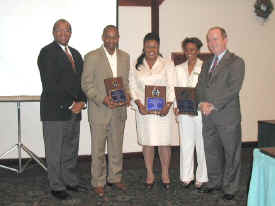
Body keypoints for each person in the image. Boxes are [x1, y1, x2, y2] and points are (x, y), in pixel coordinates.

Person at [37, 19, 87, 200]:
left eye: (67, 30)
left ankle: (70, 181)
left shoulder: (75, 53)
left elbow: (83, 81)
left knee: (70, 149)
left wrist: (82, 101)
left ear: (71, 33)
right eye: (60, 30)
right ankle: (56, 186)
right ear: (53, 32)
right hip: (55, 111)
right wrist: (70, 103)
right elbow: (50, 83)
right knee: (54, 151)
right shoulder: (46, 53)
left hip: (75, 110)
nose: (64, 33)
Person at [196, 26, 245, 200]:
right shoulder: (207, 62)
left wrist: (213, 105)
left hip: (227, 117)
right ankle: (214, 183)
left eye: (215, 39)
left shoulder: (236, 62)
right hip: (208, 116)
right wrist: (201, 102)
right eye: (209, 40)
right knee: (211, 151)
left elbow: (233, 88)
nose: (212, 43)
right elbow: (200, 85)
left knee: (231, 153)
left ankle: (230, 188)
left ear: (225, 39)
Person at [81, 25, 130, 197]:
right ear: (102, 37)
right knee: (98, 150)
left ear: (118, 37)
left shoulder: (125, 57)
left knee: (117, 148)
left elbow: (126, 84)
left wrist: (128, 95)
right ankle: (98, 181)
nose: (111, 40)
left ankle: (115, 178)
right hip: (99, 110)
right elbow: (86, 84)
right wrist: (102, 98)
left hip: (119, 111)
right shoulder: (92, 57)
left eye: (114, 37)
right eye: (108, 37)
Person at [129, 33, 175, 190]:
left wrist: (168, 105)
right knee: (147, 143)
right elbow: (132, 86)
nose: (151, 49)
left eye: (154, 46)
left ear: (158, 47)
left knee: (163, 143)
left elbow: (171, 86)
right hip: (144, 111)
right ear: (143, 47)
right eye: (148, 46)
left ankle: (165, 174)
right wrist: (138, 103)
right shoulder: (137, 64)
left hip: (163, 110)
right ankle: (149, 174)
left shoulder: (167, 63)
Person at [174, 37, 208, 189]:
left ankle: (202, 176)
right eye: (187, 50)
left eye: (192, 50)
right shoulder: (178, 68)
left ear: (198, 50)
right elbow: (174, 88)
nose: (189, 53)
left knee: (201, 143)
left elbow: (207, 90)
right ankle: (186, 176)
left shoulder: (204, 67)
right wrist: (175, 105)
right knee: (186, 143)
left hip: (199, 111)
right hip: (183, 111)